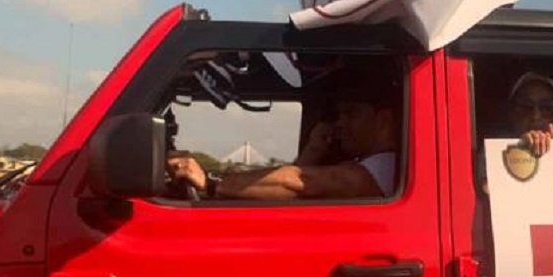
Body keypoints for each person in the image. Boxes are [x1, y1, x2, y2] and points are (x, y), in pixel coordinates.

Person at [167, 68, 399, 201]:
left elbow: (304, 183)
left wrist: (210, 182)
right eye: (339, 115)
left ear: (384, 121)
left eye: (351, 114)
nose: (340, 123)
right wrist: (314, 150)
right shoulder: (366, 168)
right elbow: (301, 184)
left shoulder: (387, 167)